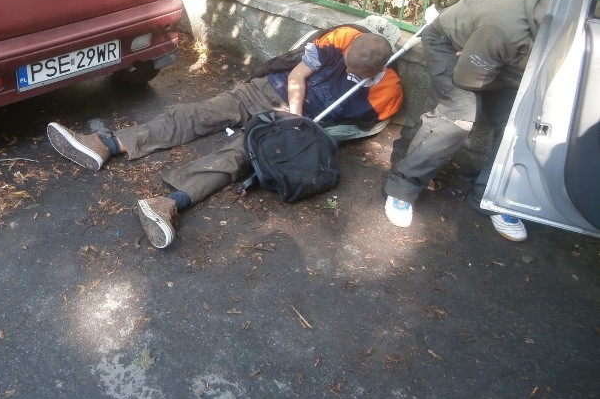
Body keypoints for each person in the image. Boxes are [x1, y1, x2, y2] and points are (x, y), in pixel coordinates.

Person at [47, 21, 404, 249]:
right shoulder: (343, 39)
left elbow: (343, 131)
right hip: (273, 92)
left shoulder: (387, 94)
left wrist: (295, 127)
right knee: (197, 113)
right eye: (346, 64)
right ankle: (107, 145)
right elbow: (297, 77)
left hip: (296, 126)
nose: (348, 72)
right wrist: (292, 112)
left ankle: (170, 204)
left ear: (379, 70)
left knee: (238, 156)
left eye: (357, 74)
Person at [383, 0, 554, 242]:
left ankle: (495, 197)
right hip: (446, 43)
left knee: (518, 121)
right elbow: (468, 79)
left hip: (494, 59)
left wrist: (492, 62)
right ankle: (402, 186)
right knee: (460, 113)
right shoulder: (506, 29)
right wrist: (481, 58)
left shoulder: (568, 29)